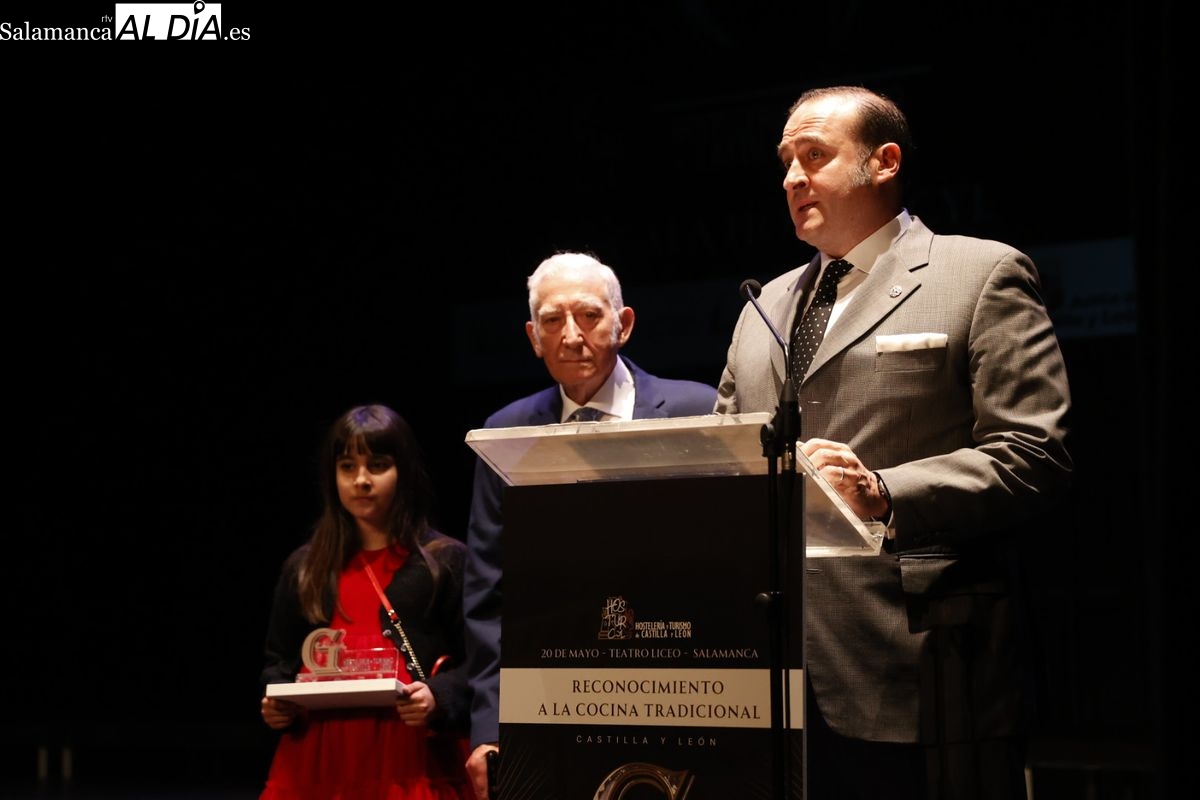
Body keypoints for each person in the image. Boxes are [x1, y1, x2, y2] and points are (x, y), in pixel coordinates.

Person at [714, 85, 1072, 799]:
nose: (791, 177)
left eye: (813, 155)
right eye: (784, 161)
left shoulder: (979, 274)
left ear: (884, 161)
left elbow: (1034, 454)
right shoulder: (763, 307)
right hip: (764, 677)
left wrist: (884, 492)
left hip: (922, 664)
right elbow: (726, 463)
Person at [461, 251, 718, 800]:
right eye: (552, 321)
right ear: (533, 336)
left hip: (684, 690)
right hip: (551, 698)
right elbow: (487, 591)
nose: (570, 335)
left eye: (588, 316)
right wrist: (488, 726)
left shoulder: (697, 410)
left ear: (623, 324)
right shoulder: (506, 432)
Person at [258, 404, 473, 800]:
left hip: (410, 757)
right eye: (346, 467)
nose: (361, 480)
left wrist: (439, 697)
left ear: (403, 473)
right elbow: (279, 661)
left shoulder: (444, 562)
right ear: (332, 477)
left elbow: (482, 663)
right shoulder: (305, 567)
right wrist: (277, 704)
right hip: (317, 759)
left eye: (377, 465)